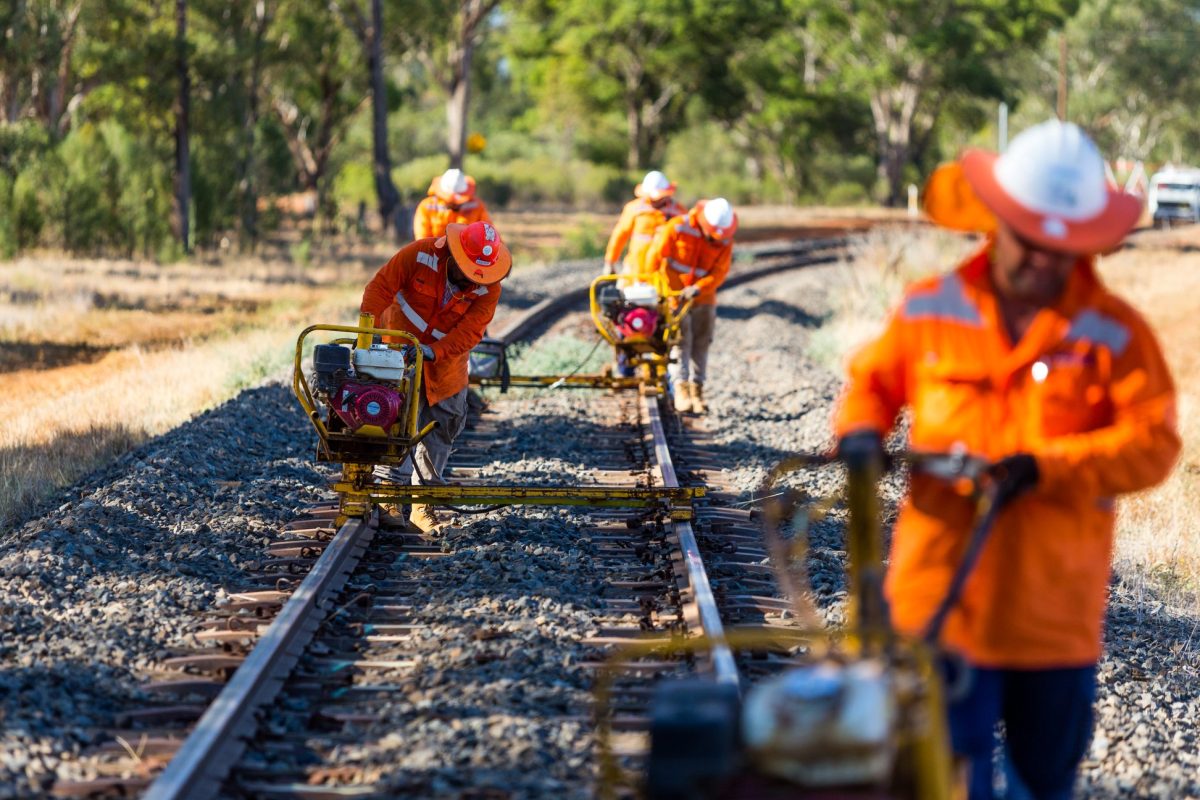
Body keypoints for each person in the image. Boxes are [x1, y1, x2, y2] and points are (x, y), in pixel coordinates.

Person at [834, 120, 1180, 800]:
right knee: (936, 781)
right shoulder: (931, 308)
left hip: (1051, 617)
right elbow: (869, 387)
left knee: (1042, 784)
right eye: (1031, 243)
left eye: (1064, 249)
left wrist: (1048, 467)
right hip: (939, 601)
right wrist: (860, 433)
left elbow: (1153, 444)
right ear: (998, 224)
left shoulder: (1114, 332)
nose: (1045, 263)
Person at [361, 220, 512, 533]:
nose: (474, 279)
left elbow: (472, 331)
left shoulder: (489, 286)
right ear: (454, 256)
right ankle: (390, 497)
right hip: (397, 355)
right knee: (396, 422)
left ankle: (422, 506)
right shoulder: (419, 255)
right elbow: (380, 288)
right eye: (469, 271)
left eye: (479, 274)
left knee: (441, 430)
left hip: (446, 366)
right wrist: (369, 336)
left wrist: (435, 352)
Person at [644, 197, 737, 414]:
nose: (716, 240)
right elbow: (654, 259)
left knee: (702, 342)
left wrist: (699, 288)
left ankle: (697, 391)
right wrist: (658, 291)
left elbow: (720, 272)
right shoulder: (677, 227)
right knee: (681, 340)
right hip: (675, 297)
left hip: (703, 298)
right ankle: (681, 389)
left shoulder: (725, 239)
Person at [603, 170, 686, 282]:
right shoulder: (634, 208)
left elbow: (687, 241)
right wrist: (610, 261)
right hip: (635, 269)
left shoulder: (678, 212)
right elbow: (620, 234)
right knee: (624, 296)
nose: (655, 201)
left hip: (664, 272)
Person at [413, 168, 491, 240]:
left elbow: (489, 234)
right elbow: (422, 238)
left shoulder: (476, 206)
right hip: (434, 253)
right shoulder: (426, 207)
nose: (455, 205)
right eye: (451, 202)